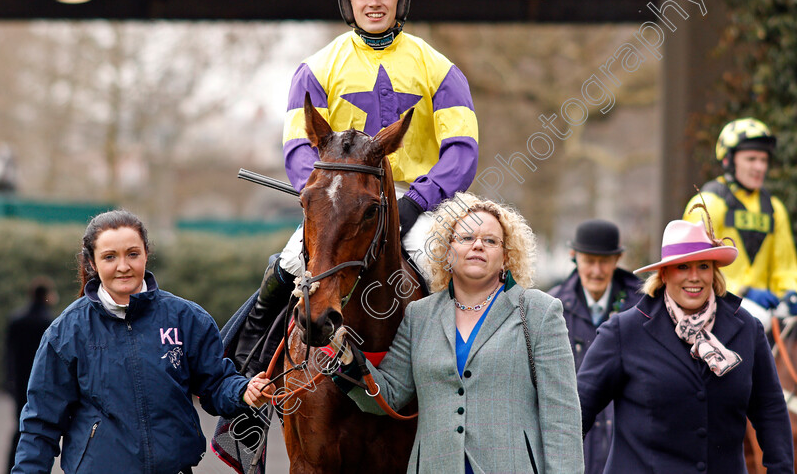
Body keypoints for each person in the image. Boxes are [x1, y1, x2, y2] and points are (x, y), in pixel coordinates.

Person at [234, 0, 479, 377]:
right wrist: (328, 198)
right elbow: (298, 151)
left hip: (424, 200)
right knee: (292, 262)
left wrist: (416, 201)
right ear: (348, 2)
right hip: (342, 199)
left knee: (465, 263)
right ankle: (248, 371)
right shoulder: (316, 69)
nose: (374, 2)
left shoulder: (441, 68)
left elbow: (462, 153)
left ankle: (468, 377)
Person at [335, 192, 583, 473]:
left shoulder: (540, 311)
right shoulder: (419, 315)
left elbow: (562, 417)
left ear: (505, 257)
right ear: (446, 250)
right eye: (466, 238)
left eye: (490, 241)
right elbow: (387, 397)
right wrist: (346, 357)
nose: (478, 245)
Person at [12, 210, 274, 474]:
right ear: (92, 263)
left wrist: (243, 391)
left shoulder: (187, 318)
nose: (123, 266)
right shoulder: (66, 332)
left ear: (146, 254)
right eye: (110, 257)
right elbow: (40, 424)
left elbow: (216, 383)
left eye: (132, 254)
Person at [578, 217, 793, 473]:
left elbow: (771, 410)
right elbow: (577, 412)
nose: (694, 277)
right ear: (664, 273)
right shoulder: (623, 332)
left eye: (703, 266)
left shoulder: (747, 329)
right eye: (682, 267)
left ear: (713, 271)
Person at [683, 117, 797, 328]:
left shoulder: (775, 209)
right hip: (717, 301)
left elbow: (786, 267)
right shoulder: (707, 203)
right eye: (751, 159)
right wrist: (742, 290)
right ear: (728, 160)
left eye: (763, 160)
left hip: (766, 307)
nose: (759, 166)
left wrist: (790, 293)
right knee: (756, 320)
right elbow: (692, 267)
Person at [548, 219, 639, 474]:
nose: (597, 271)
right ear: (574, 257)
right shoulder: (551, 308)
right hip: (576, 451)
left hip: (625, 451)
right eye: (589, 261)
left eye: (605, 261)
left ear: (617, 259)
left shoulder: (643, 309)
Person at [4, 276, 58, 474]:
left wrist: (8, 379)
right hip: (40, 382)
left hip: (18, 381)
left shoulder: (16, 319)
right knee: (38, 429)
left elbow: (8, 354)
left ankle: (11, 465)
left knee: (20, 427)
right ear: (46, 296)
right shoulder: (50, 323)